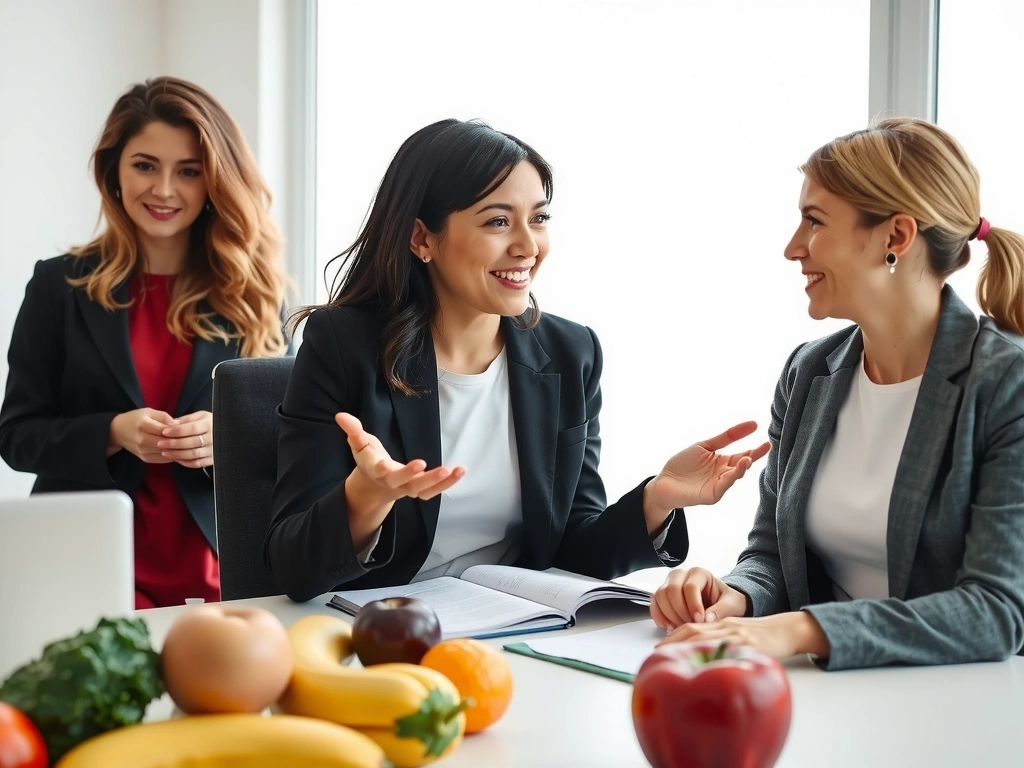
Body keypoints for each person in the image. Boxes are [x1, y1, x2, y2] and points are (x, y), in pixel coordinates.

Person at [265, 119, 769, 602]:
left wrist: (656, 500)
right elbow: (291, 566)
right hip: (383, 634)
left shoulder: (571, 353)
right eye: (498, 222)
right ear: (422, 238)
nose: (528, 246)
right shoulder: (343, 344)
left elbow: (571, 548)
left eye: (540, 218)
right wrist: (366, 497)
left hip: (511, 630)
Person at [652, 117, 1024, 670]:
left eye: (814, 221)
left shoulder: (1005, 384)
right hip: (826, 697)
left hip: (951, 708)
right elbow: (774, 556)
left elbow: (996, 612)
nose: (792, 248)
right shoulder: (809, 371)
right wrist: (734, 596)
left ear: (895, 237)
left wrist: (802, 630)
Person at [0, 76, 289, 608]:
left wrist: (225, 439)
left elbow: (296, 440)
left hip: (221, 575)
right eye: (144, 165)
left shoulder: (258, 294)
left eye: (188, 171)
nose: (163, 190)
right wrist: (111, 432)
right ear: (113, 170)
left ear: (214, 181)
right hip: (85, 569)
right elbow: (16, 435)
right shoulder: (57, 287)